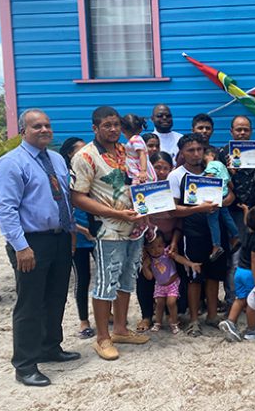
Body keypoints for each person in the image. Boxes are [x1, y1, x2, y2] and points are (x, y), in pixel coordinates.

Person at [0, 109, 79, 386]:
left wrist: (72, 230)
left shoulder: (56, 159)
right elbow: (5, 209)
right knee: (30, 304)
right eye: (36, 126)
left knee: (55, 297)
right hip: (31, 243)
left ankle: (50, 347)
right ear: (23, 131)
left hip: (60, 237)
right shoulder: (11, 163)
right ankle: (25, 364)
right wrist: (20, 247)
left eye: (47, 125)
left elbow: (64, 198)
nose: (44, 130)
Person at [70, 106, 149, 361]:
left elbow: (130, 182)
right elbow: (77, 197)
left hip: (134, 226)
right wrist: (115, 214)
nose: (113, 129)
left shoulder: (124, 150)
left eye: (116, 124)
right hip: (108, 230)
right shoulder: (85, 157)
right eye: (107, 125)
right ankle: (102, 338)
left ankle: (121, 329)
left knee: (128, 278)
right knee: (106, 282)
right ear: (95, 128)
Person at [167, 133, 224, 337]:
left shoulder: (213, 170)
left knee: (214, 274)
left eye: (199, 149)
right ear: (182, 152)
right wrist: (198, 209)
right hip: (192, 232)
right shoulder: (176, 176)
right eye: (191, 150)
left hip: (215, 232)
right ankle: (193, 320)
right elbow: (172, 209)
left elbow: (230, 194)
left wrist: (221, 203)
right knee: (194, 276)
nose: (196, 154)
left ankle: (211, 316)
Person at [217, 116, 255, 311]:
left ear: (251, 132)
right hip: (233, 213)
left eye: (246, 130)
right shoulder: (222, 154)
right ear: (231, 131)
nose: (242, 133)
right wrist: (229, 173)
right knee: (235, 259)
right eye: (238, 129)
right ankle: (234, 300)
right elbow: (217, 187)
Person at [134, 151, 179, 333]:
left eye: (165, 168)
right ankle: (146, 316)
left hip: (169, 242)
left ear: (171, 169)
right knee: (145, 278)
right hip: (146, 242)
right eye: (157, 167)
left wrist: (174, 242)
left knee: (170, 278)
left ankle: (171, 315)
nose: (161, 172)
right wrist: (143, 246)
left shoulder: (173, 189)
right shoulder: (141, 189)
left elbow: (179, 221)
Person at [59, 137, 97, 339]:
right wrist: (83, 231)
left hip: (98, 235)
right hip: (79, 238)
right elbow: (65, 213)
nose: (86, 154)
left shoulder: (93, 174)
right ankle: (84, 321)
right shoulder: (65, 179)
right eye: (80, 151)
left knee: (106, 276)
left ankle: (105, 313)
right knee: (83, 279)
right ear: (69, 154)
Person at [219, 205, 255, 341]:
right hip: (250, 274)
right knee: (252, 303)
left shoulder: (248, 231)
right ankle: (252, 329)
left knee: (240, 298)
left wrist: (245, 210)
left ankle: (230, 322)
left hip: (240, 272)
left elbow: (246, 221)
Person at [141, 229, 200, 334]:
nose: (156, 250)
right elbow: (149, 277)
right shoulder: (149, 260)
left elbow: (178, 258)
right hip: (159, 285)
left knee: (171, 302)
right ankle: (158, 323)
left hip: (172, 283)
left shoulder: (167, 253)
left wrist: (191, 264)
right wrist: (145, 267)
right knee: (159, 304)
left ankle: (174, 323)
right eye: (152, 248)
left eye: (159, 246)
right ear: (147, 249)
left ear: (164, 244)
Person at [203, 145, 243, 261]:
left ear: (211, 156)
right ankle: (235, 236)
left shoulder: (212, 164)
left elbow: (209, 178)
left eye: (205, 155)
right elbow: (231, 184)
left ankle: (216, 246)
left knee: (213, 221)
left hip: (214, 196)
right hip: (224, 194)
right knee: (227, 217)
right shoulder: (223, 166)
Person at [122, 114, 157, 240]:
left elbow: (142, 155)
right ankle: (148, 224)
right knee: (142, 200)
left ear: (123, 130)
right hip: (139, 174)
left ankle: (141, 224)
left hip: (140, 175)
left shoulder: (135, 139)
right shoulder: (136, 139)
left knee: (135, 198)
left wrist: (142, 171)